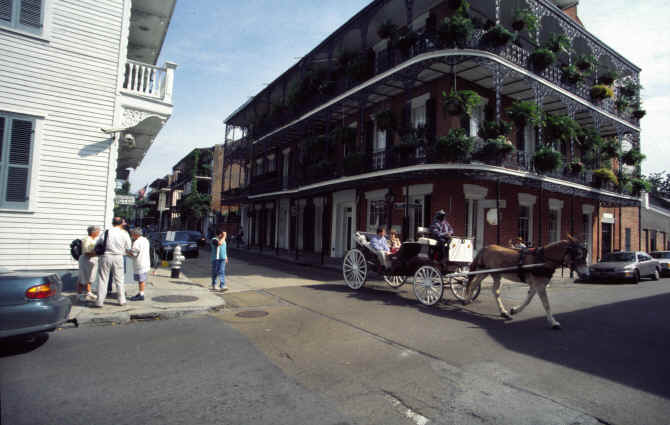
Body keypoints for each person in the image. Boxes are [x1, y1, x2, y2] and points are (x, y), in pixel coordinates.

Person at [95, 217, 132, 307]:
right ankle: (121, 300)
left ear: (112, 223)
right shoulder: (124, 233)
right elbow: (128, 247)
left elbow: (98, 243)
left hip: (106, 256)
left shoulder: (107, 232)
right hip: (118, 256)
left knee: (103, 279)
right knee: (119, 279)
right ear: (121, 224)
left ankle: (100, 301)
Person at [126, 228, 150, 301]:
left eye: (132, 234)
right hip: (145, 262)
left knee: (141, 280)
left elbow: (134, 254)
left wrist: (127, 252)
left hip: (140, 263)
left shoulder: (137, 242)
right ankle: (140, 293)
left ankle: (141, 294)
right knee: (141, 280)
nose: (131, 236)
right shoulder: (145, 240)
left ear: (135, 235)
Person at [77, 225, 101, 302]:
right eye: (98, 231)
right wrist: (98, 253)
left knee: (90, 277)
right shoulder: (86, 239)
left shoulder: (95, 239)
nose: (99, 232)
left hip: (93, 260)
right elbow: (87, 252)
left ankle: (88, 292)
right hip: (86, 260)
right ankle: (79, 294)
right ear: (93, 232)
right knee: (82, 277)